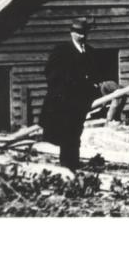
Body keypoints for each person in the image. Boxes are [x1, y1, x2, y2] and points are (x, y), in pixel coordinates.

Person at [39, 18, 100, 171]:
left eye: (84, 33)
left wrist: (92, 86)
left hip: (81, 101)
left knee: (76, 132)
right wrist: (69, 86)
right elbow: (51, 74)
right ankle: (68, 166)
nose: (82, 36)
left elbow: (94, 75)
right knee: (66, 134)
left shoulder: (90, 51)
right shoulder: (61, 51)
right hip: (63, 101)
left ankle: (74, 164)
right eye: (78, 33)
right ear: (71, 33)